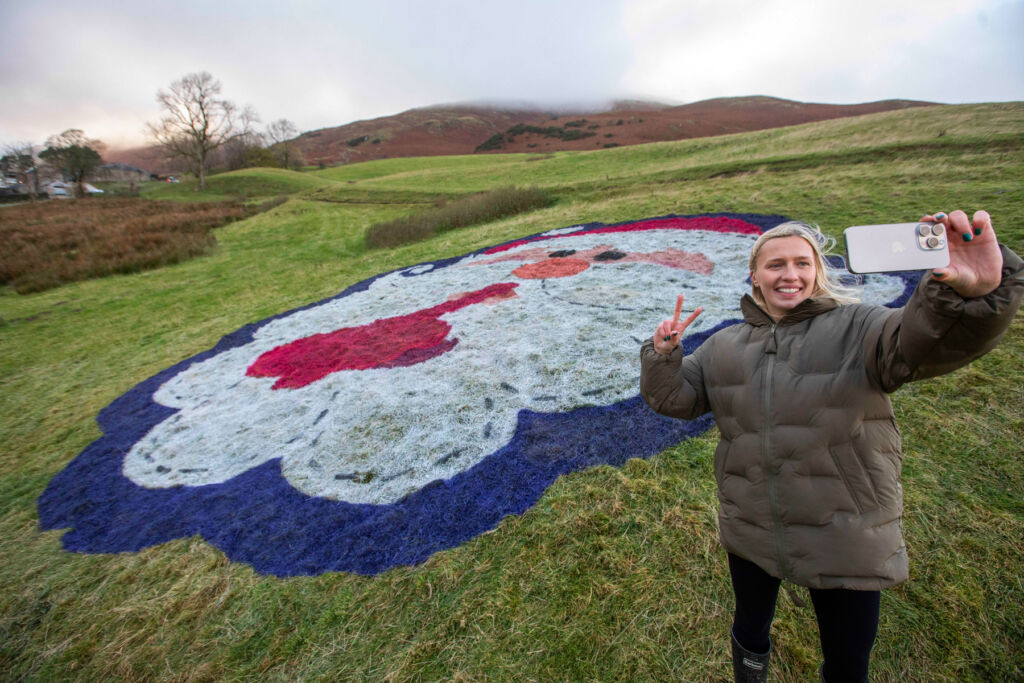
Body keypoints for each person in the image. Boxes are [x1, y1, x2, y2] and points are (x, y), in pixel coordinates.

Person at [639, 210, 1023, 682]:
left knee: (846, 658)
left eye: (802, 262)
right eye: (775, 264)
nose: (789, 274)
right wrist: (662, 356)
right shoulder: (724, 346)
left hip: (846, 529)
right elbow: (674, 398)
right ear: (754, 276)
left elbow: (928, 341)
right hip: (752, 524)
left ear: (818, 270)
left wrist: (963, 294)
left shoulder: (860, 327)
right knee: (749, 628)